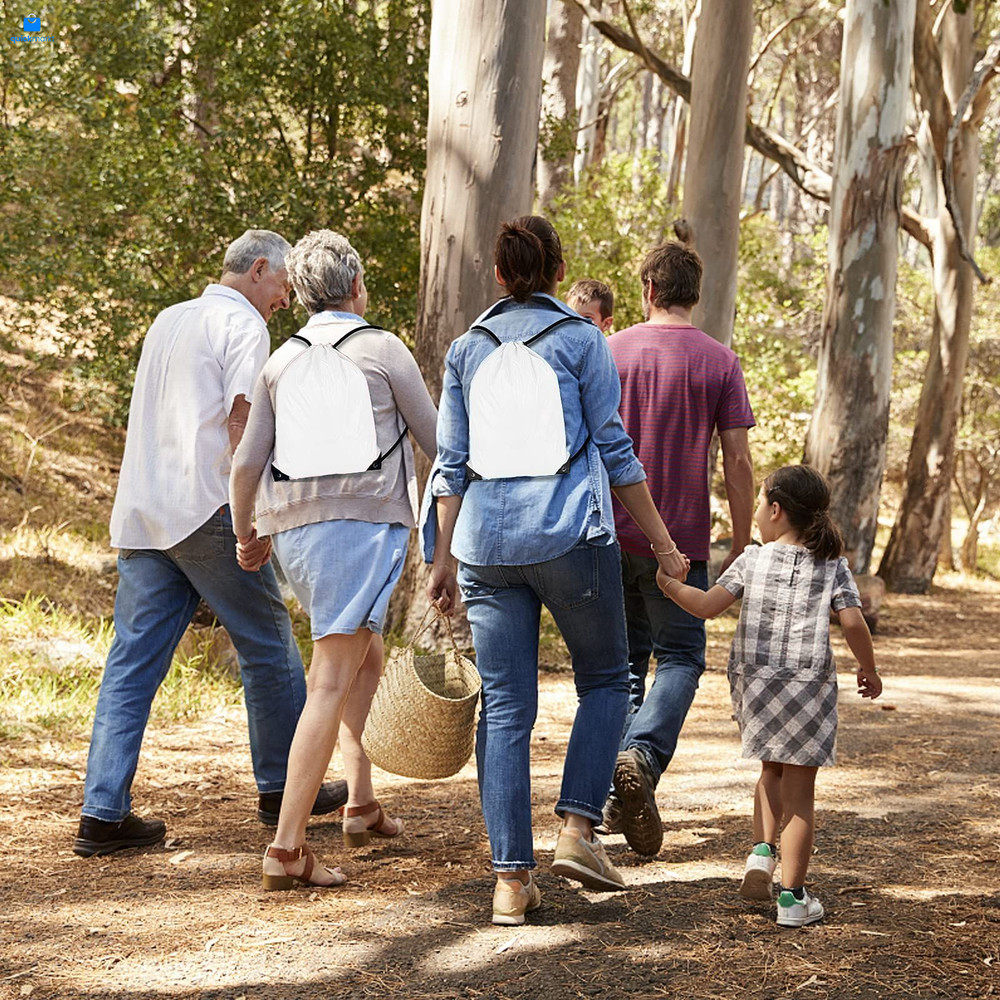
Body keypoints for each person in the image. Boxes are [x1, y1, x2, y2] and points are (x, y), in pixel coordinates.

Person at [425, 216, 689, 926]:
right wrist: (664, 546)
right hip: (570, 535)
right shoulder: (580, 339)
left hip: (485, 548)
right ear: (557, 270)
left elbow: (452, 466)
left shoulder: (466, 349)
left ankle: (511, 882)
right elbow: (615, 451)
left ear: (499, 273)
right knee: (605, 680)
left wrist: (441, 559)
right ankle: (577, 830)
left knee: (505, 706)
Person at [75, 230, 348, 859]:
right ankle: (284, 788)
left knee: (130, 664)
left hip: (144, 514)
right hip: (206, 509)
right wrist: (253, 518)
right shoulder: (244, 325)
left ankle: (102, 811)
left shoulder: (168, 319)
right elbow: (241, 423)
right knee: (269, 644)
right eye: (283, 286)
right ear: (259, 269)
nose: (285, 300)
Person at [230, 229, 438, 890]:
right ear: (354, 286)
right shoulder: (383, 348)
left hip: (296, 535)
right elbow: (441, 443)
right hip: (361, 531)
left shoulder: (281, 361)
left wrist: (245, 535)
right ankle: (287, 849)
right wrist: (449, 538)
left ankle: (361, 803)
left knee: (364, 657)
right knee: (329, 678)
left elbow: (245, 465)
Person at [656, 464, 882, 927]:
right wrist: (868, 668)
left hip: (756, 683)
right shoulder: (833, 565)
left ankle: (762, 853)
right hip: (807, 687)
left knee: (769, 768)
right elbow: (853, 622)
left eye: (759, 503)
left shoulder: (752, 560)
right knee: (800, 794)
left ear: (776, 510)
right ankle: (793, 899)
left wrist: (668, 584)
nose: (757, 512)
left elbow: (706, 606)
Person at [602, 240, 756, 857]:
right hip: (683, 542)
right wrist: (741, 541)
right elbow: (738, 462)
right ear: (696, 294)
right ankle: (640, 758)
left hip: (610, 532)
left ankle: (617, 790)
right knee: (683, 658)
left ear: (648, 289)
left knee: (623, 665)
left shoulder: (610, 351)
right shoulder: (720, 361)